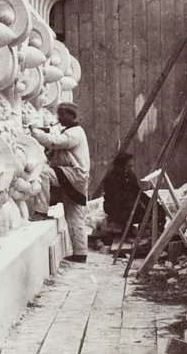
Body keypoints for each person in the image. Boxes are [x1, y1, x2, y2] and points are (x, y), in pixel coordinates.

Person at [33, 102, 91, 263]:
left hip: (73, 175)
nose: (59, 118)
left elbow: (55, 142)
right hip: (72, 176)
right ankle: (80, 253)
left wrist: (36, 133)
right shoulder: (71, 131)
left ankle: (41, 211)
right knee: (74, 215)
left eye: (62, 114)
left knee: (44, 173)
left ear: (71, 115)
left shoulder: (74, 133)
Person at [102, 150, 146, 230]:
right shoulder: (112, 178)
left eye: (132, 166)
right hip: (116, 208)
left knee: (156, 207)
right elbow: (116, 199)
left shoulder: (130, 175)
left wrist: (148, 201)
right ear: (121, 166)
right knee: (135, 211)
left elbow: (137, 191)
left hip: (130, 204)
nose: (131, 169)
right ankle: (130, 231)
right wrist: (137, 203)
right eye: (129, 166)